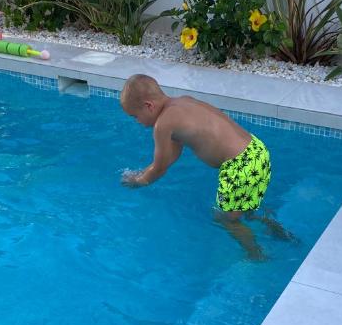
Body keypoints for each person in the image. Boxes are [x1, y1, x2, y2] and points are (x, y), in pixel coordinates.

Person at [119, 74, 290, 258]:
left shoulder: (162, 125)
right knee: (247, 208)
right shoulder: (183, 102)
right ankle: (281, 233)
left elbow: (160, 168)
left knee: (225, 218)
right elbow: (171, 155)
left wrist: (140, 181)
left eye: (135, 116)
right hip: (256, 152)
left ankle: (256, 255)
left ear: (148, 106)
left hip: (239, 166)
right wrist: (144, 172)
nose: (137, 121)